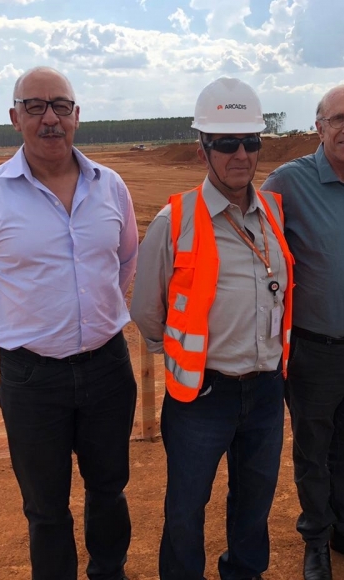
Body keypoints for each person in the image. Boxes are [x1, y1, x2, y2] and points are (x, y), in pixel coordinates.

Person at [0, 66, 138, 580]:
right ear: (15, 118)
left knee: (109, 489)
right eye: (35, 106)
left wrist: (92, 319)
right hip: (32, 379)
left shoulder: (111, 187)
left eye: (60, 105)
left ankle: (109, 571)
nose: (49, 117)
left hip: (107, 369)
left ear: (77, 116)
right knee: (45, 507)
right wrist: (24, 333)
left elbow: (123, 263)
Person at [130, 77, 293, 580]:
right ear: (204, 149)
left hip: (267, 389)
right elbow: (146, 310)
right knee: (185, 509)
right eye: (226, 144)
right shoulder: (173, 220)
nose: (240, 154)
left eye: (250, 142)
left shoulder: (272, 212)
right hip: (203, 394)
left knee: (253, 506)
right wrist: (185, 358)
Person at [261, 85, 344, 580]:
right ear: (318, 126)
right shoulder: (288, 183)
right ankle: (316, 539)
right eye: (337, 119)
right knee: (314, 451)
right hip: (315, 351)